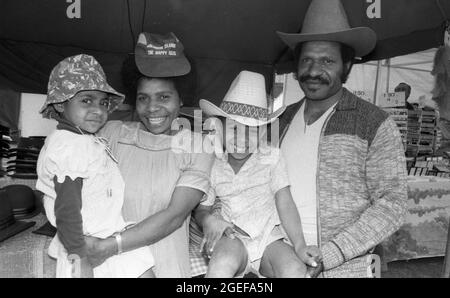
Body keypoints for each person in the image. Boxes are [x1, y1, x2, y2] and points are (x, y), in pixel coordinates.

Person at [276, 0, 408, 277]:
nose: (313, 71)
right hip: (278, 262)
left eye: (327, 61)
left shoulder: (373, 123)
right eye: (307, 60)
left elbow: (392, 203)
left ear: (346, 66)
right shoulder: (280, 121)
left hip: (345, 268)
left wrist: (332, 253)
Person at [83, 32, 214, 277]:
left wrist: (109, 246)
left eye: (164, 97)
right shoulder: (112, 134)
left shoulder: (199, 146)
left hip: (165, 265)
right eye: (143, 98)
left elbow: (175, 216)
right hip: (110, 267)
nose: (152, 108)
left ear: (181, 98)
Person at [36, 54, 155, 278]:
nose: (98, 110)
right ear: (61, 104)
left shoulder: (83, 138)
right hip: (84, 246)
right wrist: (80, 260)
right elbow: (67, 209)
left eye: (103, 102)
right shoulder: (68, 146)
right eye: (86, 100)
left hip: (106, 235)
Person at [194, 70, 322, 278]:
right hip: (232, 236)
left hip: (269, 237)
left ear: (263, 132)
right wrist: (208, 221)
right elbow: (202, 209)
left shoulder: (271, 157)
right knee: (221, 266)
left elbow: (285, 203)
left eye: (251, 130)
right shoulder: (212, 163)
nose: (242, 138)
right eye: (234, 129)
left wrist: (299, 245)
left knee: (294, 269)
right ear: (220, 128)